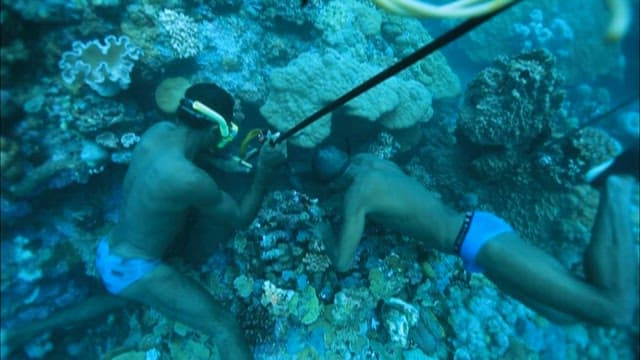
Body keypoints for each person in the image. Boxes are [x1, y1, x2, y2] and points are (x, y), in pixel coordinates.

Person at [2, 83, 287, 359]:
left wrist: (221, 157)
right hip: (137, 268)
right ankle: (20, 335)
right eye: (225, 132)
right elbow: (240, 218)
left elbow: (186, 157)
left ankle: (20, 334)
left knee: (120, 294)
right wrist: (264, 169)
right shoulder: (190, 179)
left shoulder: (157, 132)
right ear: (216, 129)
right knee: (224, 327)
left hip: (109, 252)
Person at [312, 146, 639, 328]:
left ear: (333, 184)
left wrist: (327, 232)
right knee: (564, 315)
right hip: (475, 234)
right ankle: (612, 203)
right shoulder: (370, 161)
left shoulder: (357, 193)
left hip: (480, 243)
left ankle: (617, 185)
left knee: (615, 310)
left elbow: (341, 263)